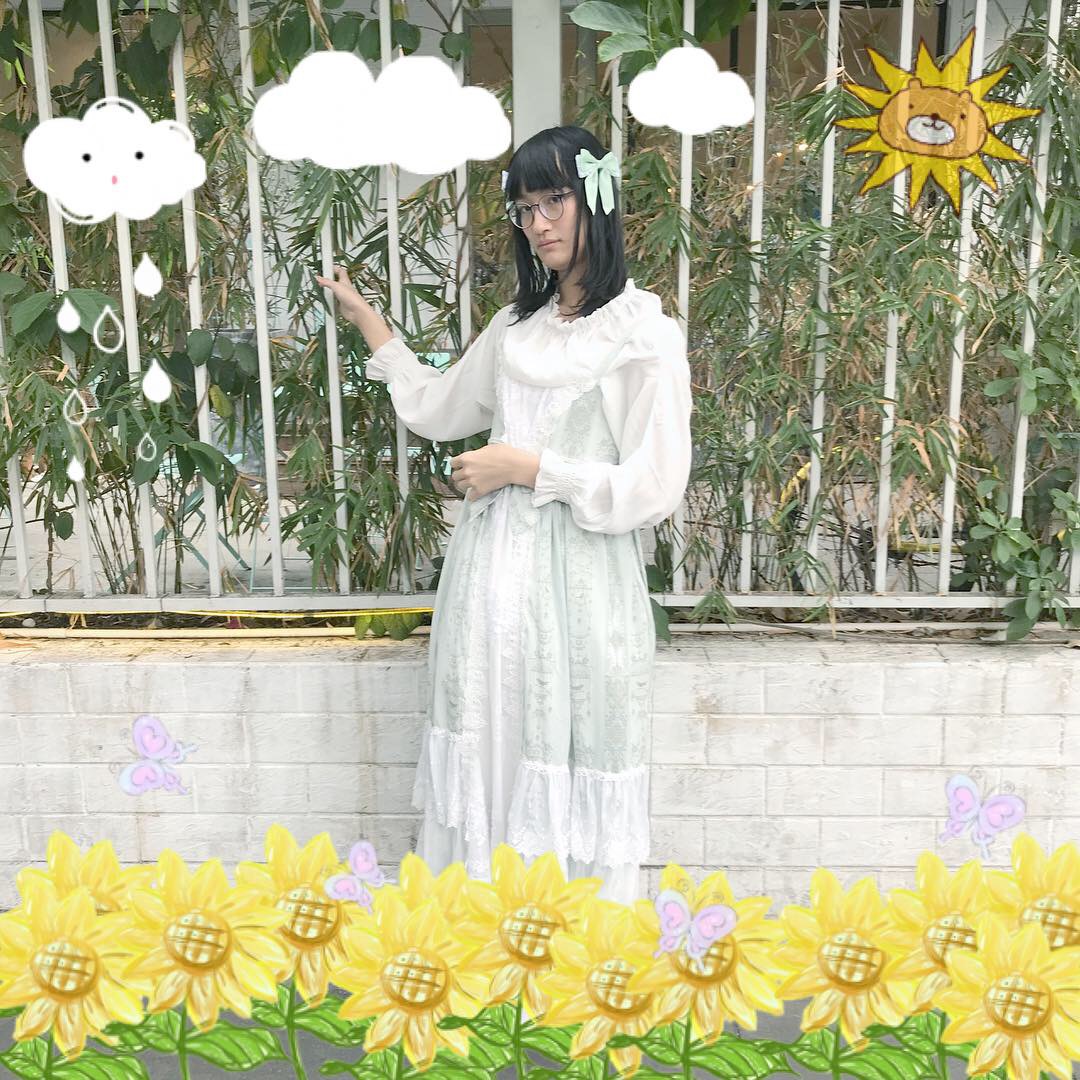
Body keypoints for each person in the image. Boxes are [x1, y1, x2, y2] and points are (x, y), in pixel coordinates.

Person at [316, 124, 693, 904]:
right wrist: (366, 319)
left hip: (579, 585)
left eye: (555, 200)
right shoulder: (516, 327)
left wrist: (526, 468)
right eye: (525, 209)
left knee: (566, 736)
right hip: (488, 582)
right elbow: (438, 406)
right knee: (488, 733)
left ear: (596, 197)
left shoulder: (642, 334)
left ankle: (568, 939)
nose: (539, 223)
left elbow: (655, 485)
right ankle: (484, 930)